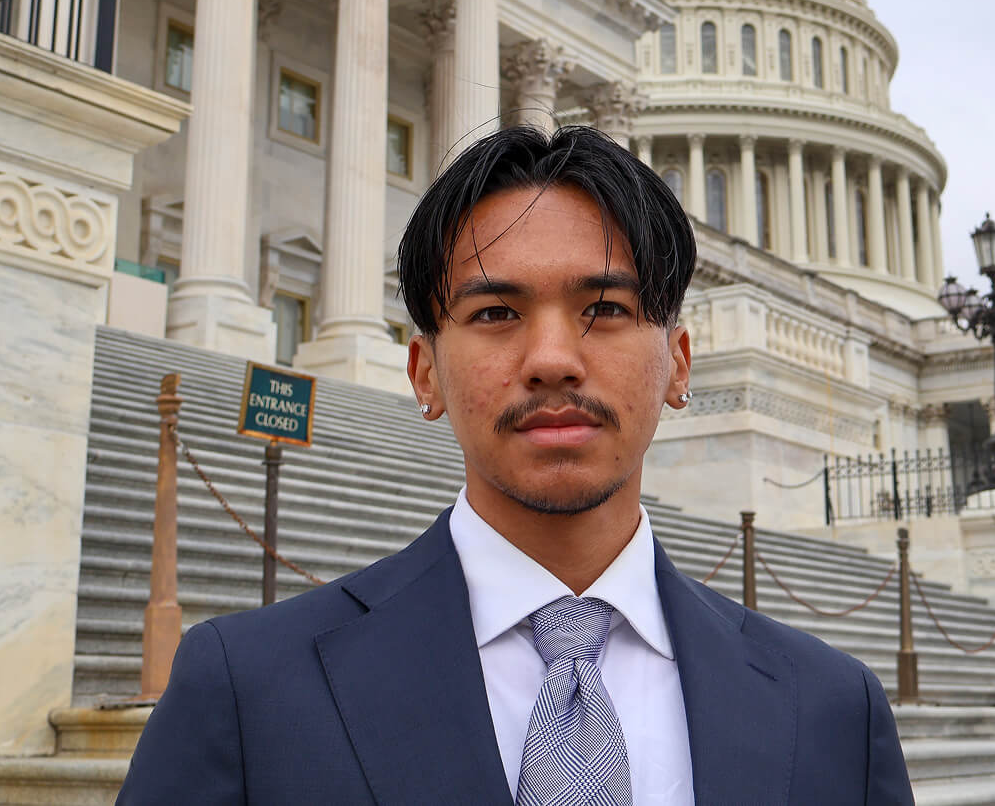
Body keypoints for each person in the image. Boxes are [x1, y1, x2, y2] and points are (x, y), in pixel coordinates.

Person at [117, 125, 913, 805]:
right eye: (496, 312)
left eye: (604, 309)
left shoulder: (832, 711)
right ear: (424, 374)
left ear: (678, 364)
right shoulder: (246, 690)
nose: (553, 359)